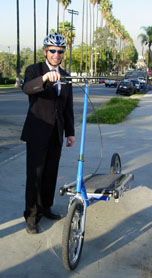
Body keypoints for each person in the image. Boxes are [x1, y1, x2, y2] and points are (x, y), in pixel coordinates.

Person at [21, 33, 75, 234]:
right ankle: (32, 216)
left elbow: (67, 107)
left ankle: (46, 208)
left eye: (60, 51)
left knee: (50, 174)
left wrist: (70, 132)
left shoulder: (66, 75)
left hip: (56, 133)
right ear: (45, 52)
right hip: (37, 133)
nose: (56, 54)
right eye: (52, 50)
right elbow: (27, 88)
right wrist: (44, 78)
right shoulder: (34, 70)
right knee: (34, 175)